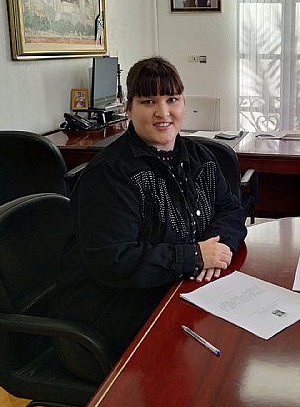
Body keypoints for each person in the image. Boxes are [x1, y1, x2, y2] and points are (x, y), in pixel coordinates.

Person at [53, 56, 246, 380]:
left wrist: (218, 249)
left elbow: (230, 210)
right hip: (115, 312)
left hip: (175, 290)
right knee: (203, 374)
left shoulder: (200, 157)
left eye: (172, 99)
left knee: (234, 351)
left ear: (184, 104)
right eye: (148, 101)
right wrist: (194, 256)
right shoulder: (110, 176)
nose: (163, 112)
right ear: (128, 109)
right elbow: (115, 260)